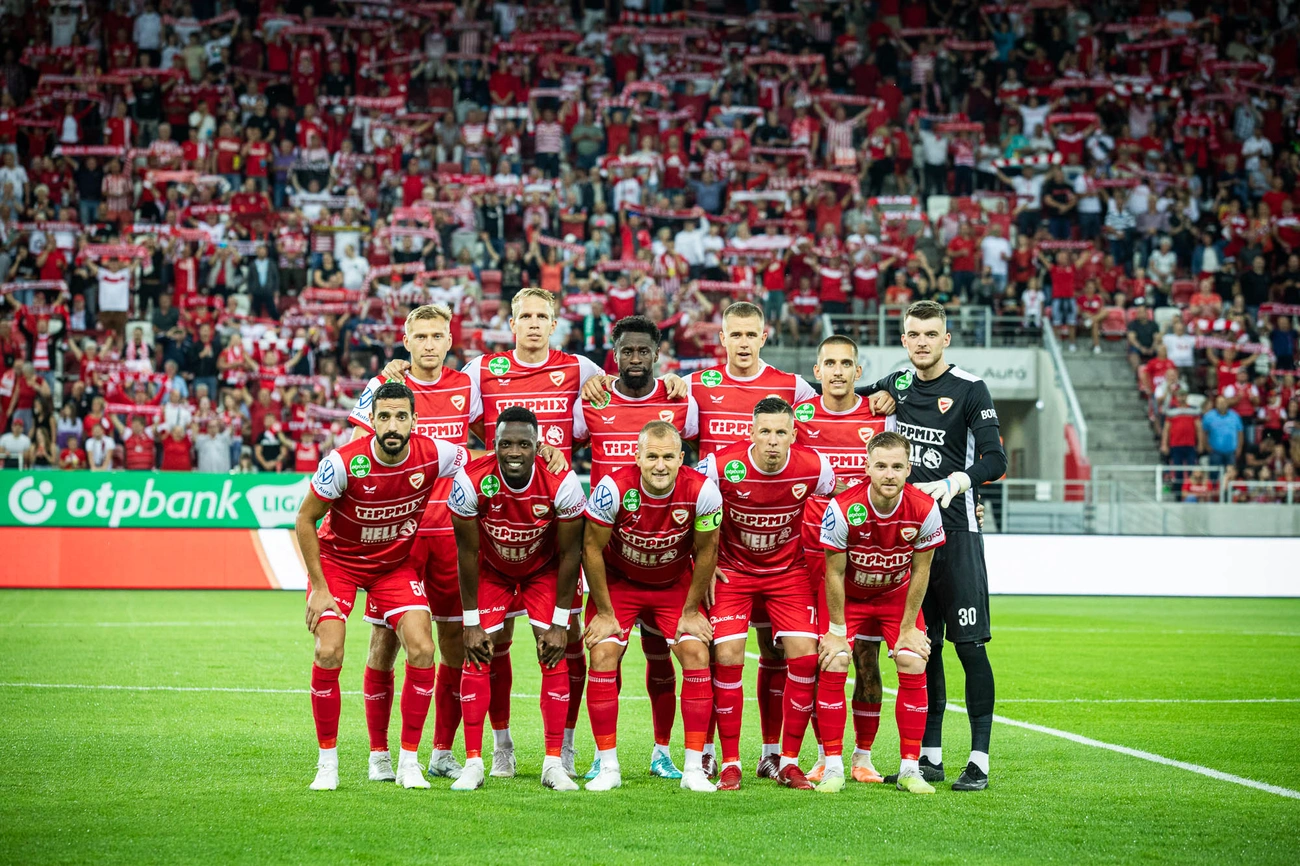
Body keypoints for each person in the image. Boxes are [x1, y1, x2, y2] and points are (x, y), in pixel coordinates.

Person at [296, 381, 471, 791]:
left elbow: (481, 460)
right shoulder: (343, 463)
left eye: (401, 417)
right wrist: (319, 587)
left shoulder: (435, 453)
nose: (393, 425)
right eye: (385, 417)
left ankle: (409, 762)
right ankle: (327, 763)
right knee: (329, 650)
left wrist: (540, 452)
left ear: (414, 420)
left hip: (392, 567)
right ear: (371, 421)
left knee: (423, 648)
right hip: (339, 564)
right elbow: (305, 519)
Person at [868, 300, 1007, 792]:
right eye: (914, 334)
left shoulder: (970, 388)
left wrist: (956, 483)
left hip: (959, 534)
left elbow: (995, 459)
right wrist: (876, 396)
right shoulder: (897, 385)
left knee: (969, 647)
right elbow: (838, 396)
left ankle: (979, 761)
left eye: (931, 334)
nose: (922, 342)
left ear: (946, 339)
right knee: (923, 650)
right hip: (911, 541)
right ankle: (929, 758)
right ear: (903, 340)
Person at [685, 301, 817, 777]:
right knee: (719, 653)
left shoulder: (794, 387)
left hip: (782, 557)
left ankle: (775, 754)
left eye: (750, 334)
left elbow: (829, 417)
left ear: (765, 337)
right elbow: (676, 459)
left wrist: (879, 397)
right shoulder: (696, 385)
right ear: (721, 338)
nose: (742, 342)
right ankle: (717, 754)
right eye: (734, 334)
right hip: (726, 554)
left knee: (779, 652)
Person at [572, 315, 699, 781]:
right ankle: (601, 754)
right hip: (612, 559)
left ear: (657, 354)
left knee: (662, 655)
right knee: (605, 652)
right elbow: (557, 447)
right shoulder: (593, 402)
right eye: (627, 350)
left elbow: (705, 456)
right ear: (615, 354)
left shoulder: (680, 400)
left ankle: (663, 752)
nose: (636, 358)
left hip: (667, 554)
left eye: (644, 350)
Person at [698, 397, 836, 791]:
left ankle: (784, 761)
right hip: (733, 573)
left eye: (780, 432)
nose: (772, 440)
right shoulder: (720, 466)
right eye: (765, 431)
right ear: (751, 433)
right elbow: (692, 503)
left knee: (805, 656)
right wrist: (701, 565)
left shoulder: (816, 467)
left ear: (793, 434)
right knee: (726, 655)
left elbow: (840, 504)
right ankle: (729, 762)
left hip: (788, 573)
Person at [447, 406, 587, 792]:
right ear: (493, 444)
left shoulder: (562, 481)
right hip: (492, 570)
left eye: (523, 445)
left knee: (554, 650)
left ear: (537, 446)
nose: (514, 452)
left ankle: (554, 762)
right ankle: (478, 760)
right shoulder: (471, 480)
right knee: (478, 651)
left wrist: (559, 623)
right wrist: (471, 622)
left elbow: (571, 554)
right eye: (505, 444)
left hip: (544, 570)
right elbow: (466, 553)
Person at [580, 421, 722, 792]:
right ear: (638, 457)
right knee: (603, 654)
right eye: (652, 457)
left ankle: (692, 769)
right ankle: (607, 766)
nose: (660, 465)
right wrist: (605, 613)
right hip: (620, 584)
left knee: (696, 653)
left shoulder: (703, 491)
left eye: (668, 457)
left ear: (681, 459)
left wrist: (691, 611)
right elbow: (591, 548)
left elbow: (707, 550)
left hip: (672, 585)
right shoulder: (612, 488)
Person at [820, 431, 946, 794]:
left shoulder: (924, 508)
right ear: (867, 468)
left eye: (896, 467)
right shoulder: (842, 507)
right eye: (881, 466)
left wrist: (908, 628)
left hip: (895, 596)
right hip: (851, 597)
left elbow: (921, 570)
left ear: (908, 469)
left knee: (912, 660)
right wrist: (836, 631)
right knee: (835, 661)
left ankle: (910, 769)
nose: (889, 474)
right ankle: (832, 767)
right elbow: (833, 572)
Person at [793, 335, 892, 785]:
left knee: (868, 658)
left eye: (845, 363)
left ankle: (864, 757)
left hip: (869, 556)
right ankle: (823, 754)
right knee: (825, 657)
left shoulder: (879, 414)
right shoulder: (799, 417)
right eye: (829, 363)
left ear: (858, 371)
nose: (837, 371)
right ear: (817, 371)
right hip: (814, 556)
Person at [1201, 395, 1244, 468]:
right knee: (1215, 473)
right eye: (1219, 403)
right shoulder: (1209, 416)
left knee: (1230, 472)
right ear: (1216, 404)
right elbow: (1204, 432)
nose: (1221, 405)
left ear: (1227, 403)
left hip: (1231, 451)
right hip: (1215, 451)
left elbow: (1240, 433)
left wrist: (1239, 448)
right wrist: (1207, 446)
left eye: (1223, 402)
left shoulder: (1235, 416)